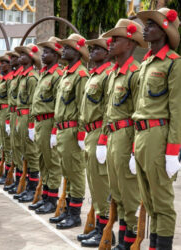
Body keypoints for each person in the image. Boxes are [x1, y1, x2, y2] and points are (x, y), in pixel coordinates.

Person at [133, 8, 181, 250]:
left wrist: (173, 151)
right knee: (149, 200)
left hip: (158, 136)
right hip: (141, 135)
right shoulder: (146, 64)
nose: (145, 28)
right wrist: (134, 146)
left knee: (161, 200)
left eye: (150, 25)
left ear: (163, 31)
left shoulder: (173, 64)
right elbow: (139, 108)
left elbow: (177, 110)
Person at [101, 19, 147, 249]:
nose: (110, 42)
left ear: (129, 43)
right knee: (116, 193)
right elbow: (107, 112)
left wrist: (134, 151)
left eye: (116, 39)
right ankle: (119, 240)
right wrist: (102, 140)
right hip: (111, 137)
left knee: (129, 196)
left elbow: (140, 114)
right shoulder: (114, 73)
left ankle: (130, 243)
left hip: (127, 137)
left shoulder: (135, 74)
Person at [78, 36, 113, 247]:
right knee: (94, 184)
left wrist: (103, 139)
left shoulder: (107, 75)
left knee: (101, 185)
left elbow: (109, 110)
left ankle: (106, 232)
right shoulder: (94, 75)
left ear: (107, 53)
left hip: (100, 131)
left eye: (96, 49)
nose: (91, 53)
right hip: (90, 133)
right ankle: (99, 228)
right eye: (91, 49)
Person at [54, 34, 89, 229]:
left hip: (73, 131)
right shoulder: (67, 73)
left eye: (67, 48)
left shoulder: (81, 75)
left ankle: (75, 215)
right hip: (62, 130)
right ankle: (68, 209)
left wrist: (82, 133)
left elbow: (82, 106)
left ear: (77, 51)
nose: (63, 50)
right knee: (66, 172)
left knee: (75, 172)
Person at [29, 37, 63, 214]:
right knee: (43, 161)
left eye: (47, 51)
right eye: (43, 51)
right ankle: (46, 197)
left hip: (50, 122)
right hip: (40, 122)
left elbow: (59, 104)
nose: (43, 55)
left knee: (52, 163)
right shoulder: (44, 73)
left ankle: (53, 199)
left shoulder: (57, 75)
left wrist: (55, 130)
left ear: (56, 54)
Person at [13, 44, 41, 203]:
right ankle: (28, 186)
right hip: (20, 117)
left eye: (23, 54)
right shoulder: (23, 76)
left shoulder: (32, 78)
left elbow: (33, 104)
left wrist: (31, 125)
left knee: (31, 153)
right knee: (24, 151)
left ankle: (33, 188)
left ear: (30, 57)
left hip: (28, 118)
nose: (20, 57)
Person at [0, 53, 14, 186]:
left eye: (4, 63)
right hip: (0, 111)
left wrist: (7, 119)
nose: (1, 65)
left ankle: (9, 175)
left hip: (7, 112)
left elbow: (11, 100)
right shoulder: (2, 78)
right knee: (3, 145)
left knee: (7, 145)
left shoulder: (10, 79)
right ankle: (6, 173)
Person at [5, 51, 23, 194]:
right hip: (13, 114)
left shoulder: (29, 77)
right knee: (14, 148)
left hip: (22, 116)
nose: (10, 60)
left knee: (26, 152)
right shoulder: (17, 77)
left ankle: (27, 185)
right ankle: (18, 181)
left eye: (13, 58)